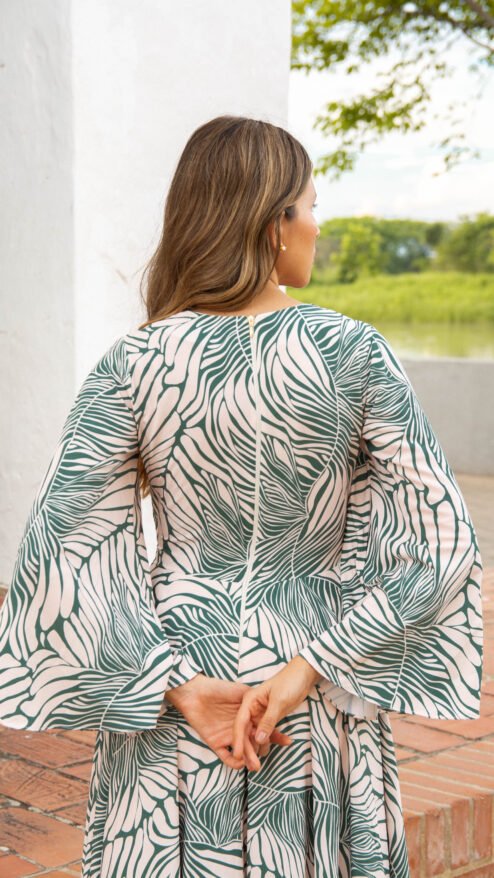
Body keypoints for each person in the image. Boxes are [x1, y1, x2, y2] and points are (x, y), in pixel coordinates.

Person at [0, 115, 483, 878]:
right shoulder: (356, 354)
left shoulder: (135, 361)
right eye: (312, 207)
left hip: (180, 685)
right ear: (273, 222)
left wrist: (174, 684)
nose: (317, 227)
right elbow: (442, 545)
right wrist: (310, 666)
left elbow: (61, 551)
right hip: (311, 686)